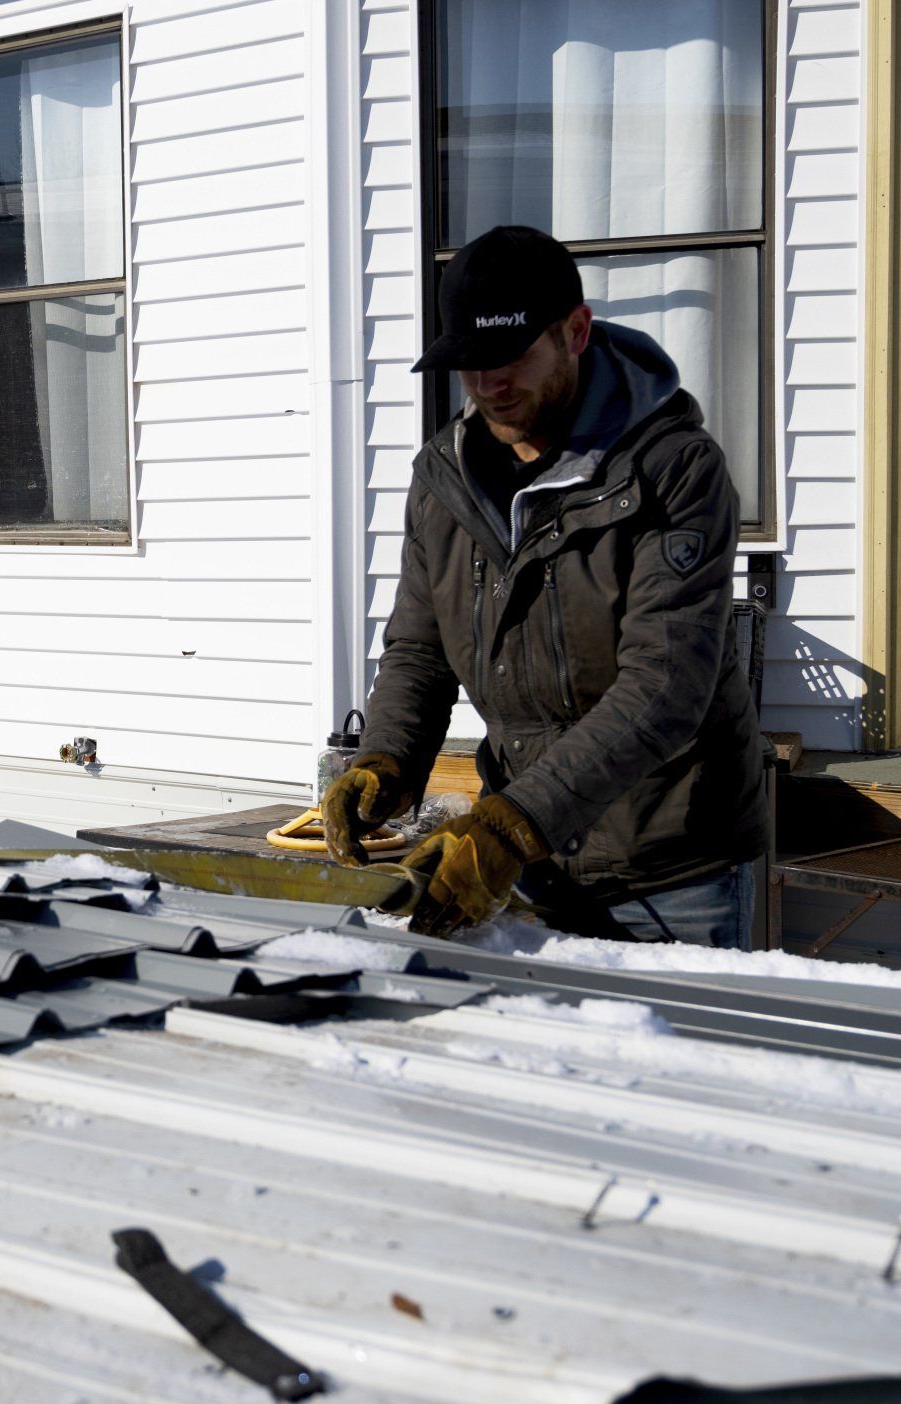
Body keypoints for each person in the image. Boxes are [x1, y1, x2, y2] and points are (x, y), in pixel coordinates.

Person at [322, 226, 768, 947]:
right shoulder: (445, 479)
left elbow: (663, 686)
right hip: (527, 866)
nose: (489, 383)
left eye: (511, 357)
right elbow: (419, 650)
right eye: (470, 363)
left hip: (671, 872)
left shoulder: (674, 470)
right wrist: (387, 759)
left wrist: (510, 823)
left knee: (675, 1062)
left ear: (577, 331)